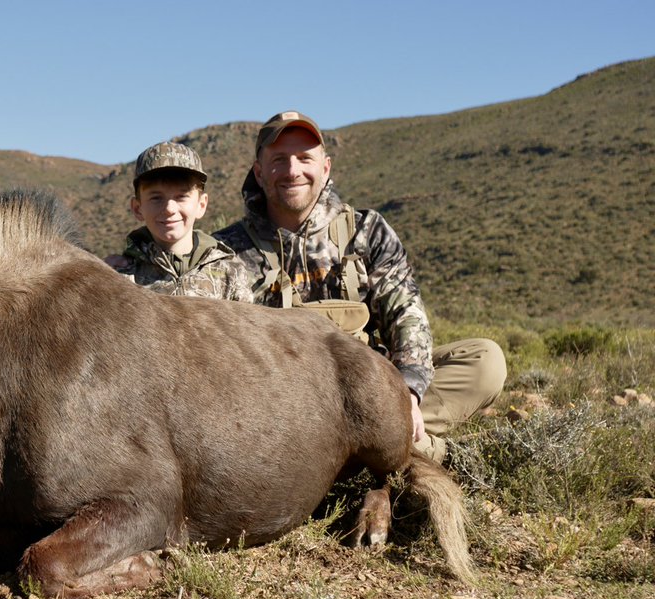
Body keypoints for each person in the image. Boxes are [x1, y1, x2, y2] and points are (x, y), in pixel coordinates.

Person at [213, 111, 506, 462]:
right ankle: (403, 449)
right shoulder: (225, 251)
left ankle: (373, 440)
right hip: (283, 413)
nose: (293, 171)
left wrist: (409, 393)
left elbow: (407, 317)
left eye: (305, 158)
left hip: (372, 394)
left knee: (485, 359)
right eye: (279, 160)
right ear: (259, 173)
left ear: (326, 167)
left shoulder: (366, 230)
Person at [107, 142, 254, 301]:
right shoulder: (119, 276)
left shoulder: (231, 274)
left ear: (201, 205)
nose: (170, 208)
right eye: (156, 198)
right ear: (137, 208)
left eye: (181, 197)